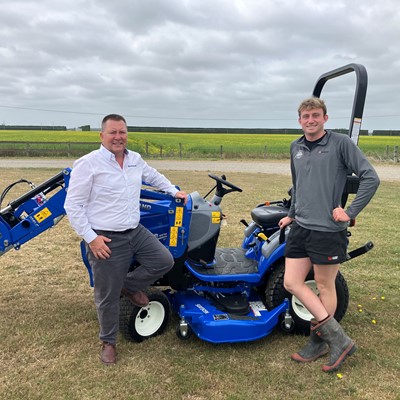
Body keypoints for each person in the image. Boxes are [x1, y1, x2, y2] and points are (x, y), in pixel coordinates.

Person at [64, 114, 187, 365]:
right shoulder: (88, 164)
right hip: (106, 238)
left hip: (135, 230)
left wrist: (174, 190)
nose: (118, 137)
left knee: (164, 260)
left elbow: (153, 176)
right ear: (102, 136)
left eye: (122, 132)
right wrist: (92, 238)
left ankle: (127, 285)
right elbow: (73, 205)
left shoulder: (135, 159)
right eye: (113, 132)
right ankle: (108, 342)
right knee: (106, 296)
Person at [279, 97, 380, 372]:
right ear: (299, 120)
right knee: (291, 282)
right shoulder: (296, 146)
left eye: (315, 115)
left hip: (327, 229)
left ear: (325, 118)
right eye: (305, 116)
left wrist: (349, 212)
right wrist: (291, 212)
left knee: (324, 286)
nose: (310, 120)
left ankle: (321, 341)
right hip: (301, 226)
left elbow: (371, 177)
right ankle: (337, 338)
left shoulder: (340, 144)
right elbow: (298, 184)